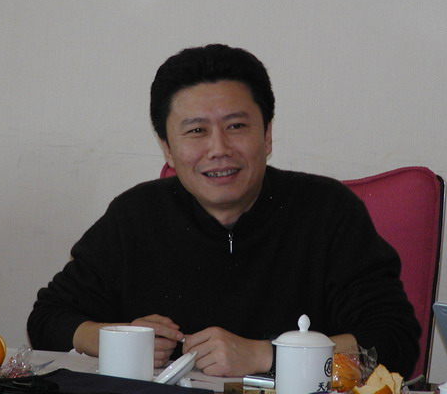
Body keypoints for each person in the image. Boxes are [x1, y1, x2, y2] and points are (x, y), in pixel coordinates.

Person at [27, 44, 420, 379]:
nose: (218, 149)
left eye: (236, 126)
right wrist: (116, 339)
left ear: (267, 135)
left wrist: (267, 356)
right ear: (167, 148)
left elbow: (394, 343)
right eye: (196, 131)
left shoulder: (327, 212)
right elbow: (48, 318)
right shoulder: (136, 216)